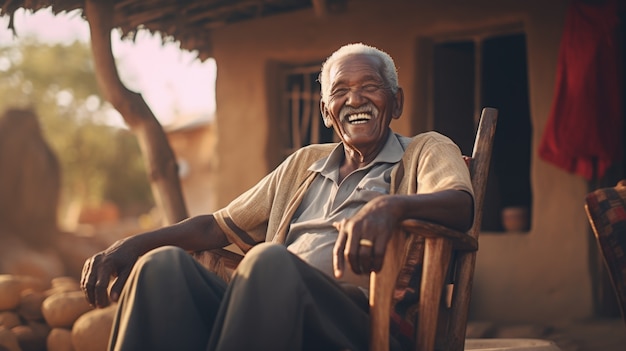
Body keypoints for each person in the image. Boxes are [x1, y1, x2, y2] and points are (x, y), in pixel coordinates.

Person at [80, 43, 474, 351]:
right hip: (262, 304)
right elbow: (213, 227)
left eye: (370, 87)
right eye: (341, 91)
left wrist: (390, 206)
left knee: (269, 259)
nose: (355, 100)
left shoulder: (425, 149)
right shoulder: (304, 163)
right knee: (161, 267)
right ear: (326, 111)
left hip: (361, 317)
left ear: (397, 101)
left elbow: (460, 204)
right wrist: (129, 246)